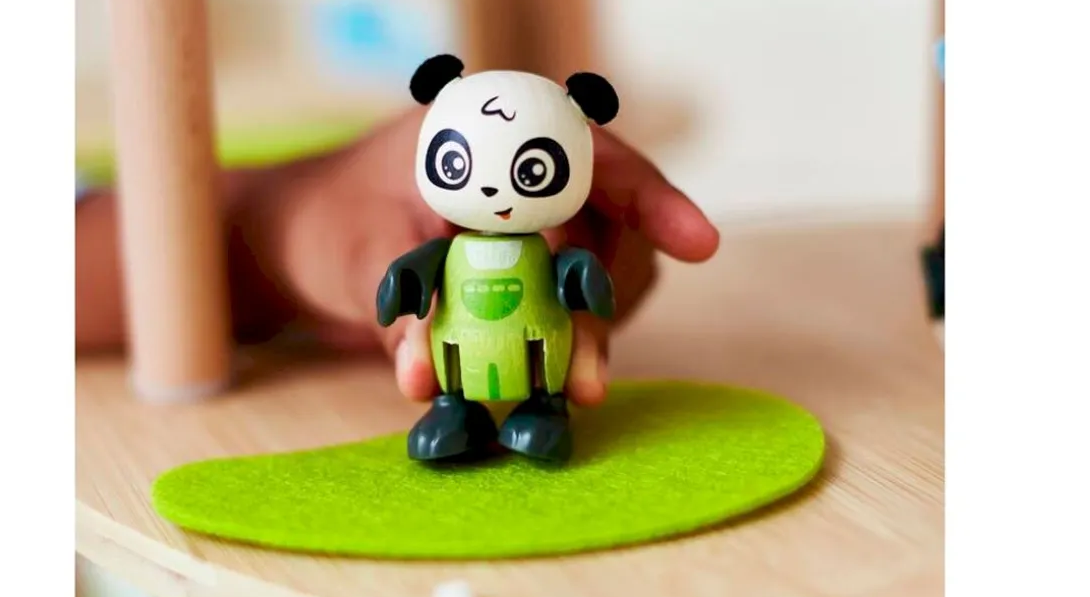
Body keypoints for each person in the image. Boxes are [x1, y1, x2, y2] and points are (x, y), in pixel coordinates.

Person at [75, 105, 720, 406]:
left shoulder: (534, 243)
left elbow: (581, 275)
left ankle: (539, 416)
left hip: (536, 356)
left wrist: (586, 282)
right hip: (454, 357)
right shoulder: (448, 248)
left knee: (547, 382)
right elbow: (413, 271)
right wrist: (387, 281)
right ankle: (457, 416)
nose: (494, 191)